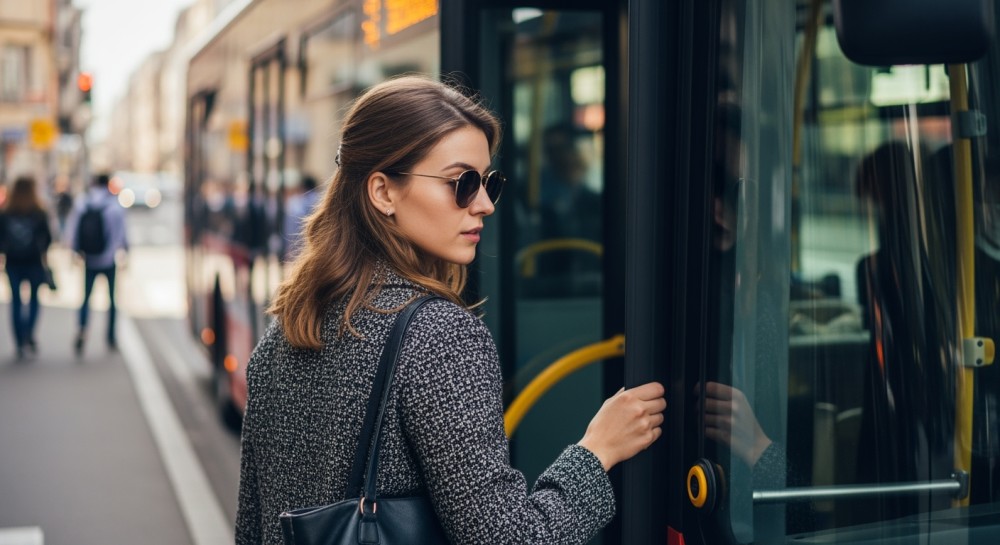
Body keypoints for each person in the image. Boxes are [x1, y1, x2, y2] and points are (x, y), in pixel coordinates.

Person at [235, 75, 667, 545]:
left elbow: (252, 528)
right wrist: (597, 450)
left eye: (488, 183)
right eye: (461, 183)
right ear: (383, 192)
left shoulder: (285, 331)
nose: (484, 204)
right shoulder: (439, 336)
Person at [64, 172, 129, 354]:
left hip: (89, 260)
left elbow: (73, 230)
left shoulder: (83, 203)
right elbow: (122, 234)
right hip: (109, 260)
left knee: (85, 298)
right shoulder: (115, 206)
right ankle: (111, 337)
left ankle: (82, 330)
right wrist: (125, 254)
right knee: (112, 300)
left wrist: (73, 254)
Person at [0, 176, 53, 359]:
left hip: (13, 262)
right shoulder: (38, 212)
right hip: (33, 261)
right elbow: (47, 238)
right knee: (33, 300)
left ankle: (18, 341)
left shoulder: (6, 212)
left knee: (15, 302)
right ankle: (29, 333)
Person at [281, 173, 320, 262]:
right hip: (319, 248)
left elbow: (290, 228)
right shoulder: (321, 200)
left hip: (300, 247)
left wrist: (288, 246)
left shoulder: (296, 203)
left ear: (303, 187)